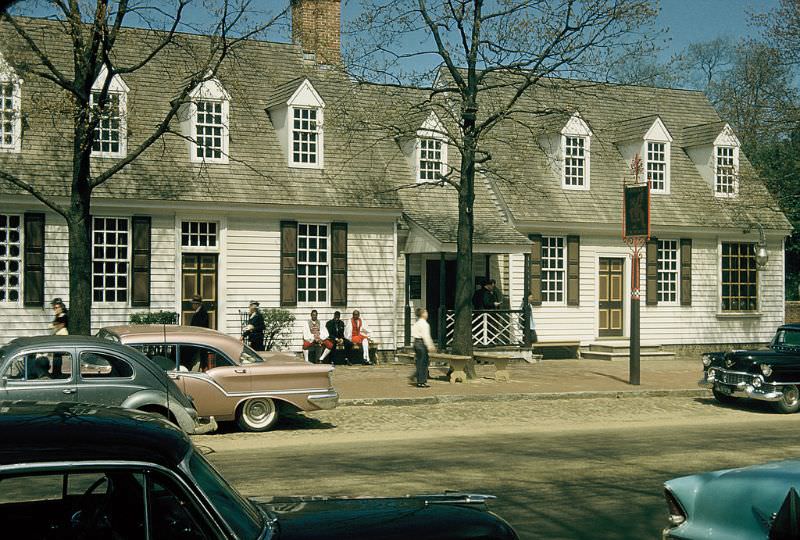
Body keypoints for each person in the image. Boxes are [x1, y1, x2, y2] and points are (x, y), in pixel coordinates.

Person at [411, 308, 436, 388]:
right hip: (422, 344)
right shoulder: (424, 324)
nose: (427, 314)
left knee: (419, 363)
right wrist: (430, 346)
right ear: (423, 314)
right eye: (426, 312)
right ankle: (421, 381)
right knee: (423, 363)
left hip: (416, 342)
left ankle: (420, 380)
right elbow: (426, 336)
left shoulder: (416, 323)